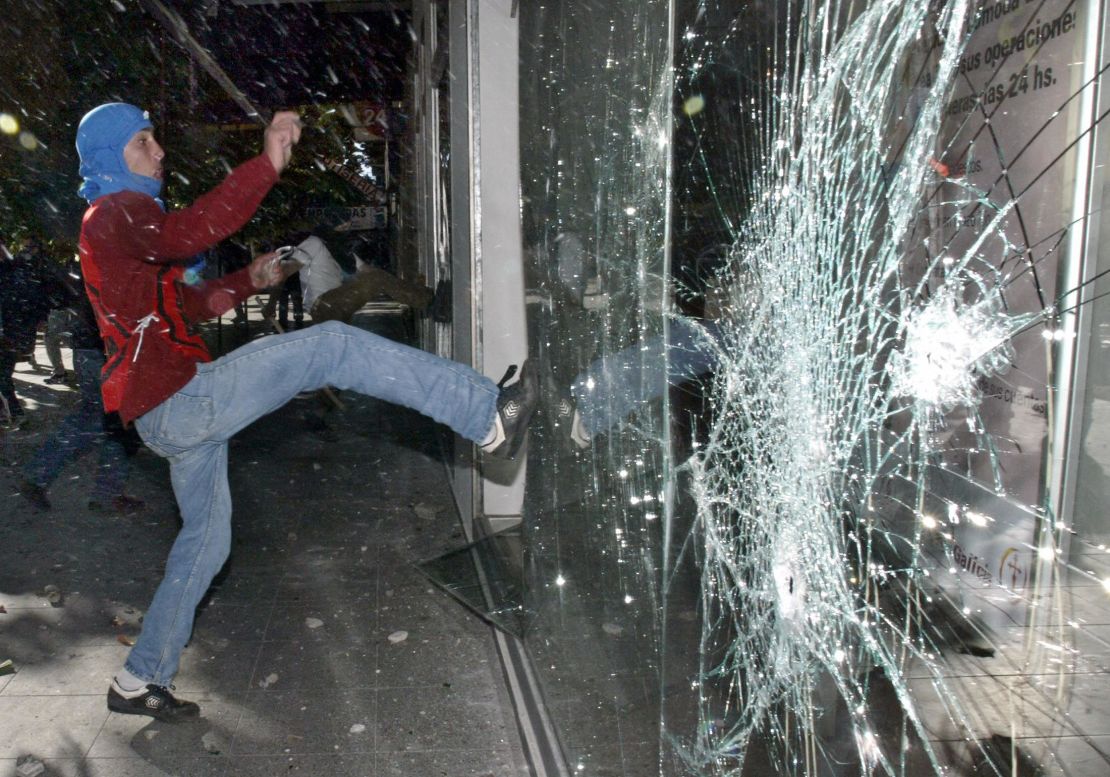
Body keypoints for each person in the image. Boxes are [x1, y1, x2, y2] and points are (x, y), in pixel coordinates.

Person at [75, 102, 538, 722]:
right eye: (143, 141)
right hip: (179, 402)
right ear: (110, 157)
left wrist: (249, 280)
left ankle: (139, 678)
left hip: (170, 409)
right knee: (332, 344)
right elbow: (191, 232)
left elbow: (184, 305)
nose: (159, 151)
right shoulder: (113, 214)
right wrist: (266, 163)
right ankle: (486, 415)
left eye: (155, 137)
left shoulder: (123, 226)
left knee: (205, 547)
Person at [18, 267, 144, 514]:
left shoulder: (98, 255)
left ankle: (37, 476)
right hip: (107, 352)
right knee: (120, 423)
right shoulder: (122, 258)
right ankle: (106, 495)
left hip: (89, 349)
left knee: (94, 419)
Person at [0, 238, 66, 420]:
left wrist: (34, 321)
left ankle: (13, 411)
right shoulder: (15, 270)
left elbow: (34, 298)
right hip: (12, 330)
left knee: (3, 375)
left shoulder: (16, 271)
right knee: (3, 376)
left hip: (10, 332)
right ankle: (11, 411)